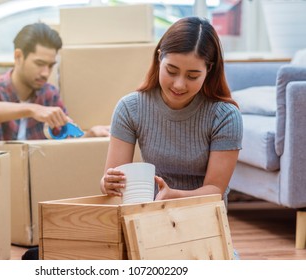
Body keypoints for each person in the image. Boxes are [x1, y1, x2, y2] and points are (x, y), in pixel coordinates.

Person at [101, 16, 243, 208]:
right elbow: (113, 181)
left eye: (192, 76)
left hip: (204, 216)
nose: (179, 84)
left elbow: (215, 190)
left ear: (208, 70)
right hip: (150, 214)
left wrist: (173, 196)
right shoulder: (130, 108)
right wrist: (107, 183)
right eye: (172, 71)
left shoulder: (225, 116)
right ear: (160, 58)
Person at [0, 22, 110, 151]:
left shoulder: (49, 95)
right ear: (18, 56)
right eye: (39, 64)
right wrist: (32, 109)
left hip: (35, 178)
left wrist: (90, 136)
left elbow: (65, 146)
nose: (46, 73)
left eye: (50, 66)